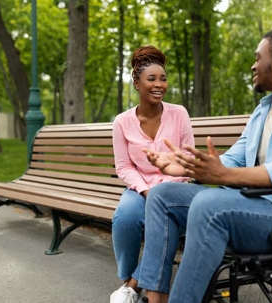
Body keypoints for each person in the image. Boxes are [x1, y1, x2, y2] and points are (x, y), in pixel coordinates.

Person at [138, 28, 272, 303]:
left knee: (209, 206)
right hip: (246, 202)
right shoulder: (262, 110)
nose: (253, 64)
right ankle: (155, 298)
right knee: (162, 195)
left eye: (258, 57)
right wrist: (187, 167)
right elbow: (233, 159)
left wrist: (225, 175)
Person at [110, 45, 195, 303]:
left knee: (163, 220)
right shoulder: (122, 122)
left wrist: (161, 190)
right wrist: (146, 190)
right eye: (152, 79)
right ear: (137, 83)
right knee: (125, 217)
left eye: (163, 78)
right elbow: (123, 166)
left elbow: (188, 157)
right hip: (140, 187)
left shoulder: (179, 113)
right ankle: (128, 279)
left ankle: (134, 287)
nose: (159, 84)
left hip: (173, 186)